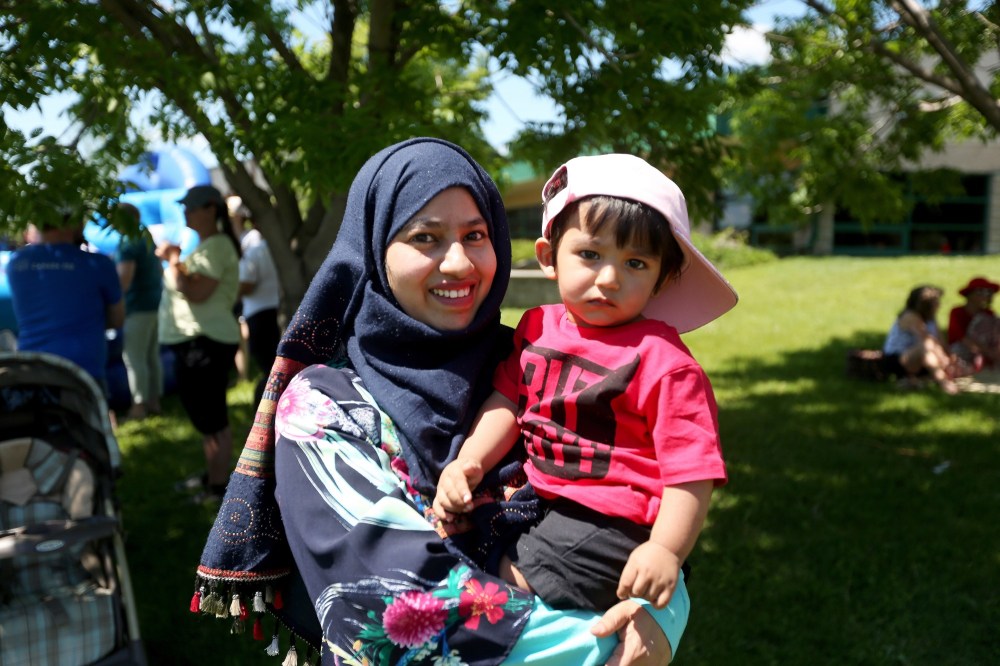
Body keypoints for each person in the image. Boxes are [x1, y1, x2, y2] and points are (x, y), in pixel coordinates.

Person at [195, 139, 686, 666]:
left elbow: (639, 499)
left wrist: (659, 615)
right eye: (425, 237)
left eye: (475, 235)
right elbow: (402, 606)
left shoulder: (534, 365)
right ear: (374, 249)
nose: (458, 263)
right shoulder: (322, 405)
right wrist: (609, 646)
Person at [433, 154, 735, 614]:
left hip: (612, 521)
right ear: (548, 257)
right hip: (538, 499)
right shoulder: (536, 328)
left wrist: (666, 550)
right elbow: (508, 400)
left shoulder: (665, 362)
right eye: (590, 254)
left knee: (494, 594)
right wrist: (470, 460)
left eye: (635, 263)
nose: (609, 278)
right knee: (463, 550)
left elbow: (691, 472)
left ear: (662, 278)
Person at [158, 184, 242, 503]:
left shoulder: (217, 246)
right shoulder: (209, 246)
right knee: (208, 420)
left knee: (213, 419)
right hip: (197, 341)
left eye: (191, 207)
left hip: (204, 342)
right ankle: (214, 477)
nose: (185, 212)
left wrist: (172, 258)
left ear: (210, 208)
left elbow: (196, 291)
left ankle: (218, 487)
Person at [7, 216, 124, 392]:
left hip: (32, 370)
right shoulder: (98, 264)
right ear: (75, 223)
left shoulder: (16, 263)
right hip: (84, 374)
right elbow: (117, 319)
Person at [114, 203, 164, 420]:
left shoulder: (128, 242)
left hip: (138, 307)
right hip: (155, 303)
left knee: (134, 358)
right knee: (151, 355)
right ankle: (154, 401)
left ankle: (139, 406)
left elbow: (123, 281)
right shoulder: (146, 236)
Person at [233, 204, 281, 406]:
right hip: (276, 309)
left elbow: (247, 285)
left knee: (268, 367)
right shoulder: (280, 248)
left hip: (259, 314)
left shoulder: (256, 252)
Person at [883, 285, 958, 394]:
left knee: (931, 353)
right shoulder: (910, 316)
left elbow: (940, 340)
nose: (939, 305)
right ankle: (943, 383)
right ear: (925, 305)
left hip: (920, 359)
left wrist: (950, 357)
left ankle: (916, 381)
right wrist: (943, 359)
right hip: (898, 358)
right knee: (925, 349)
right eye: (936, 302)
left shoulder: (931, 317)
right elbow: (928, 341)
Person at [948, 276, 1000, 371]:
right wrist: (985, 351)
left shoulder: (989, 314)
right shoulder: (957, 312)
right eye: (981, 292)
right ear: (970, 295)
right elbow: (961, 337)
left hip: (985, 351)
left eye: (989, 292)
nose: (986, 296)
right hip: (964, 350)